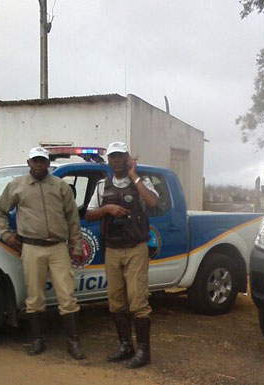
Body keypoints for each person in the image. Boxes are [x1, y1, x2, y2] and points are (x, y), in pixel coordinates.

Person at [0, 147, 85, 359]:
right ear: (28, 162)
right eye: (35, 161)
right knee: (34, 297)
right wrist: (6, 234)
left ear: (47, 164)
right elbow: (0, 210)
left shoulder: (61, 187)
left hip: (58, 248)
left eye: (42, 161)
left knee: (67, 296)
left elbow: (73, 219)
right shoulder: (17, 186)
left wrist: (77, 245)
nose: (38, 165)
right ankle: (37, 340)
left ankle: (73, 342)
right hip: (31, 248)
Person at [85, 142, 158, 369]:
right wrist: (107, 209)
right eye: (113, 157)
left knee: (138, 301)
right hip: (113, 250)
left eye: (120, 156)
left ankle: (144, 352)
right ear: (109, 161)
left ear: (127, 158)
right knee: (116, 301)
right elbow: (88, 215)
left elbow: (153, 201)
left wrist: (134, 175)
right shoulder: (101, 187)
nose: (116, 161)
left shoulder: (141, 182)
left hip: (135, 248)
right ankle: (125, 346)